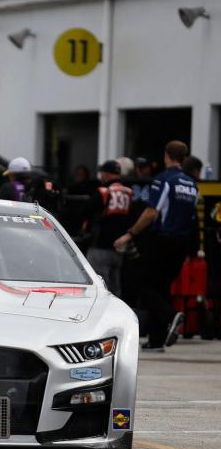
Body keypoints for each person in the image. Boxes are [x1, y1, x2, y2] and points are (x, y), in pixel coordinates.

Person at [114, 141, 198, 352]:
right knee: (161, 287)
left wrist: (129, 234)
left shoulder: (164, 179)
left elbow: (152, 212)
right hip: (182, 242)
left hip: (163, 240)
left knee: (143, 284)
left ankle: (172, 316)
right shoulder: (191, 183)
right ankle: (157, 339)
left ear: (166, 155)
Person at [85, 160, 133, 297]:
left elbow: (85, 211)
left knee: (99, 286)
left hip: (100, 246)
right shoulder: (128, 192)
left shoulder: (104, 192)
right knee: (115, 287)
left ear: (106, 174)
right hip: (119, 247)